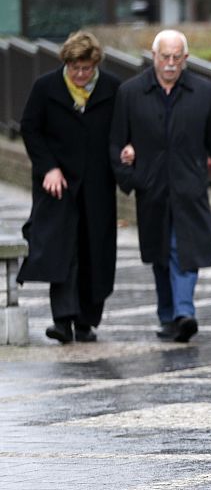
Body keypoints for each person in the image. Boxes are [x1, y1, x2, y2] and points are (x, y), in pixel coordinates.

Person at [109, 29, 211, 343]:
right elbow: (115, 144)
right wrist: (131, 177)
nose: (169, 63)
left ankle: (184, 312)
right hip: (151, 189)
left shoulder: (202, 91)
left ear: (186, 59)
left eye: (176, 58)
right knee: (160, 255)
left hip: (188, 185)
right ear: (154, 56)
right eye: (164, 56)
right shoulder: (131, 92)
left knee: (185, 250)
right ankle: (168, 315)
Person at [18, 31, 120, 344]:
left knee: (95, 250)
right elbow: (30, 129)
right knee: (63, 250)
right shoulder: (46, 87)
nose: (79, 75)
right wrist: (48, 167)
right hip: (57, 185)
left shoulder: (112, 89)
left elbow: (122, 130)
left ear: (95, 64)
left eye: (86, 68)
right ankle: (62, 320)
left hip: (97, 185)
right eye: (74, 68)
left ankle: (87, 320)